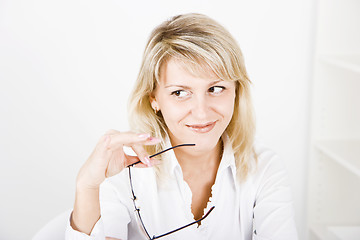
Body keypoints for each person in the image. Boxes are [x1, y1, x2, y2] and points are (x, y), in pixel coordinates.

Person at [65, 13, 298, 240]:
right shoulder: (119, 169)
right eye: (180, 92)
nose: (201, 111)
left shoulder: (265, 168)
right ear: (153, 99)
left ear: (236, 92)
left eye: (216, 89)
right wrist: (86, 186)